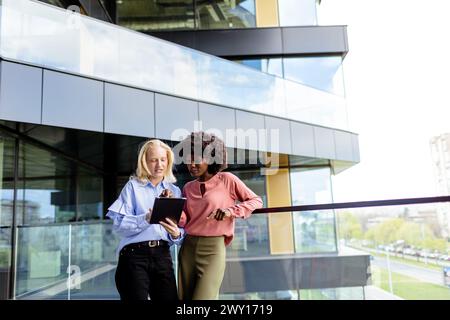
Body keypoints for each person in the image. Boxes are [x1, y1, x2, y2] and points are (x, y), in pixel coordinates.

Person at [177, 131, 263, 300]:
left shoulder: (227, 180)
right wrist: (170, 204)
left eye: (197, 159)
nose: (191, 164)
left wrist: (230, 211)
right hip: (188, 247)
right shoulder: (188, 187)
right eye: (188, 160)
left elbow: (255, 200)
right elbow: (184, 220)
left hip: (213, 249)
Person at [106, 139, 185, 301]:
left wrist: (176, 234)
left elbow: (182, 230)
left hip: (163, 255)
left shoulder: (175, 191)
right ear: (145, 162)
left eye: (163, 160)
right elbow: (120, 227)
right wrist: (146, 218)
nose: (159, 165)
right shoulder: (132, 187)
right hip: (134, 256)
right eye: (154, 160)